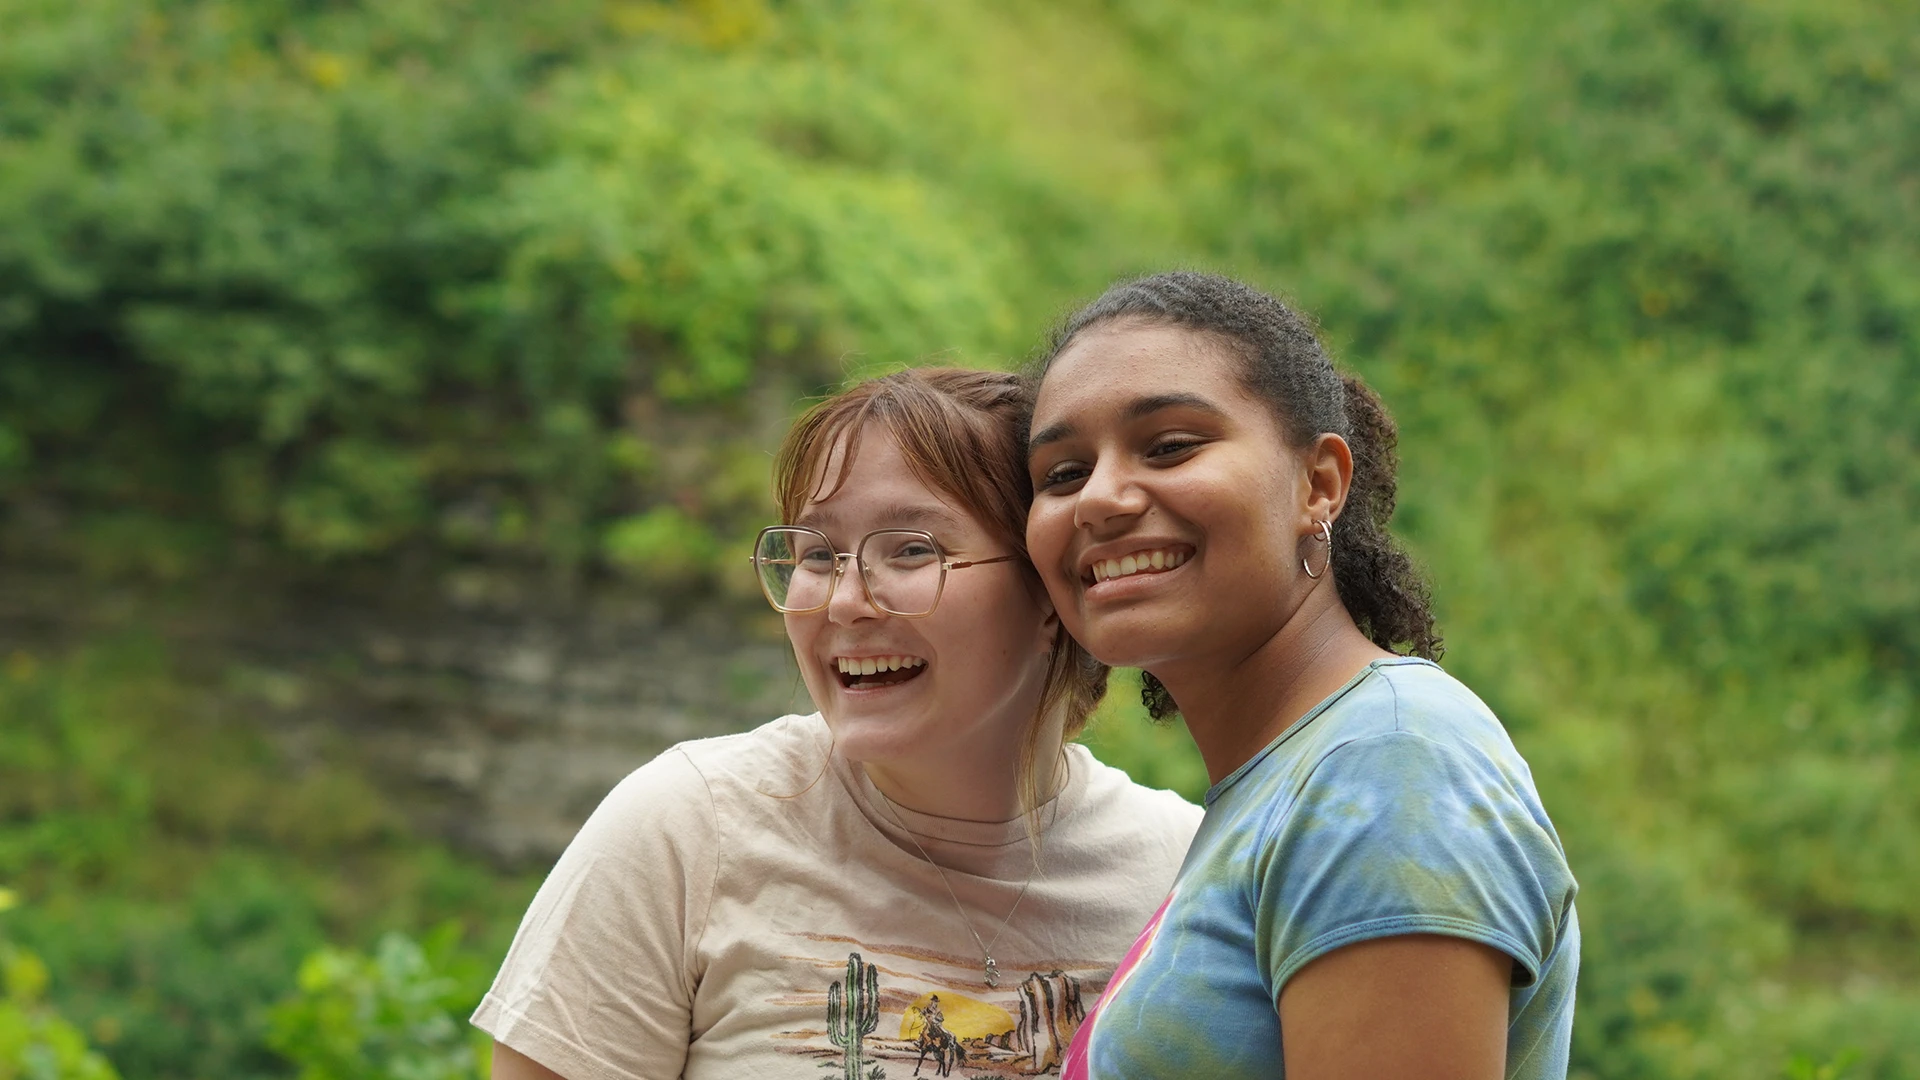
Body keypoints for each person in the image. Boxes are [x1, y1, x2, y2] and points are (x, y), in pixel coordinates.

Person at [475, 368, 1203, 1080]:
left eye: (912, 549)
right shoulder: (692, 826)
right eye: (818, 555)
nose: (845, 601)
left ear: (1049, 593)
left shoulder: (1189, 874)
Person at [1022, 272, 1579, 1080]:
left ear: (1318, 485)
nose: (1100, 498)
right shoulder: (1285, 781)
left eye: (1171, 446)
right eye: (1062, 475)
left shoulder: (1387, 765)